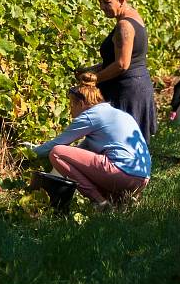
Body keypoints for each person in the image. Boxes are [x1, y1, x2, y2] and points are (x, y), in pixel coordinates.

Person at [33, 73, 151, 209]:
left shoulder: (90, 116)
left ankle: (100, 202)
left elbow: (57, 145)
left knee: (57, 153)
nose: (71, 111)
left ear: (81, 103)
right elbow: (79, 155)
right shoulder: (115, 113)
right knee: (73, 159)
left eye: (72, 105)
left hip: (121, 175)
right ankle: (119, 200)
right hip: (141, 180)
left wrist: (27, 154)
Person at [79, 0, 157, 142]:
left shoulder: (124, 26)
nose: (102, 7)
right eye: (99, 2)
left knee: (124, 144)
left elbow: (122, 64)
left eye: (106, 2)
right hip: (136, 86)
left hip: (128, 92)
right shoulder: (134, 16)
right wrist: (92, 69)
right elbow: (120, 59)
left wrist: (94, 79)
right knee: (132, 145)